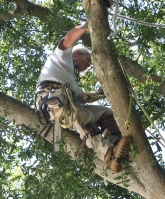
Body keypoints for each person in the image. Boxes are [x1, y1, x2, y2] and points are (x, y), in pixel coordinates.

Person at [35, 22, 133, 173]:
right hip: (50, 97)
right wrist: (86, 25)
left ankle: (117, 144)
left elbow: (83, 97)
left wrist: (102, 93)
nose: (88, 65)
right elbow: (68, 40)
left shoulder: (71, 81)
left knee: (105, 112)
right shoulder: (62, 58)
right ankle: (107, 154)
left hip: (66, 98)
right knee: (83, 114)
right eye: (88, 60)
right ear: (76, 54)